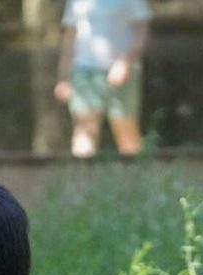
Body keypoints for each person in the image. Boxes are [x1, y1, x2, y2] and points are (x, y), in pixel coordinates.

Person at [54, 0, 151, 157]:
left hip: (123, 72)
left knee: (125, 130)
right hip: (84, 69)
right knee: (85, 130)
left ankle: (135, 178)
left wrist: (126, 62)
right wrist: (63, 77)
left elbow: (142, 32)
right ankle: (82, 179)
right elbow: (69, 37)